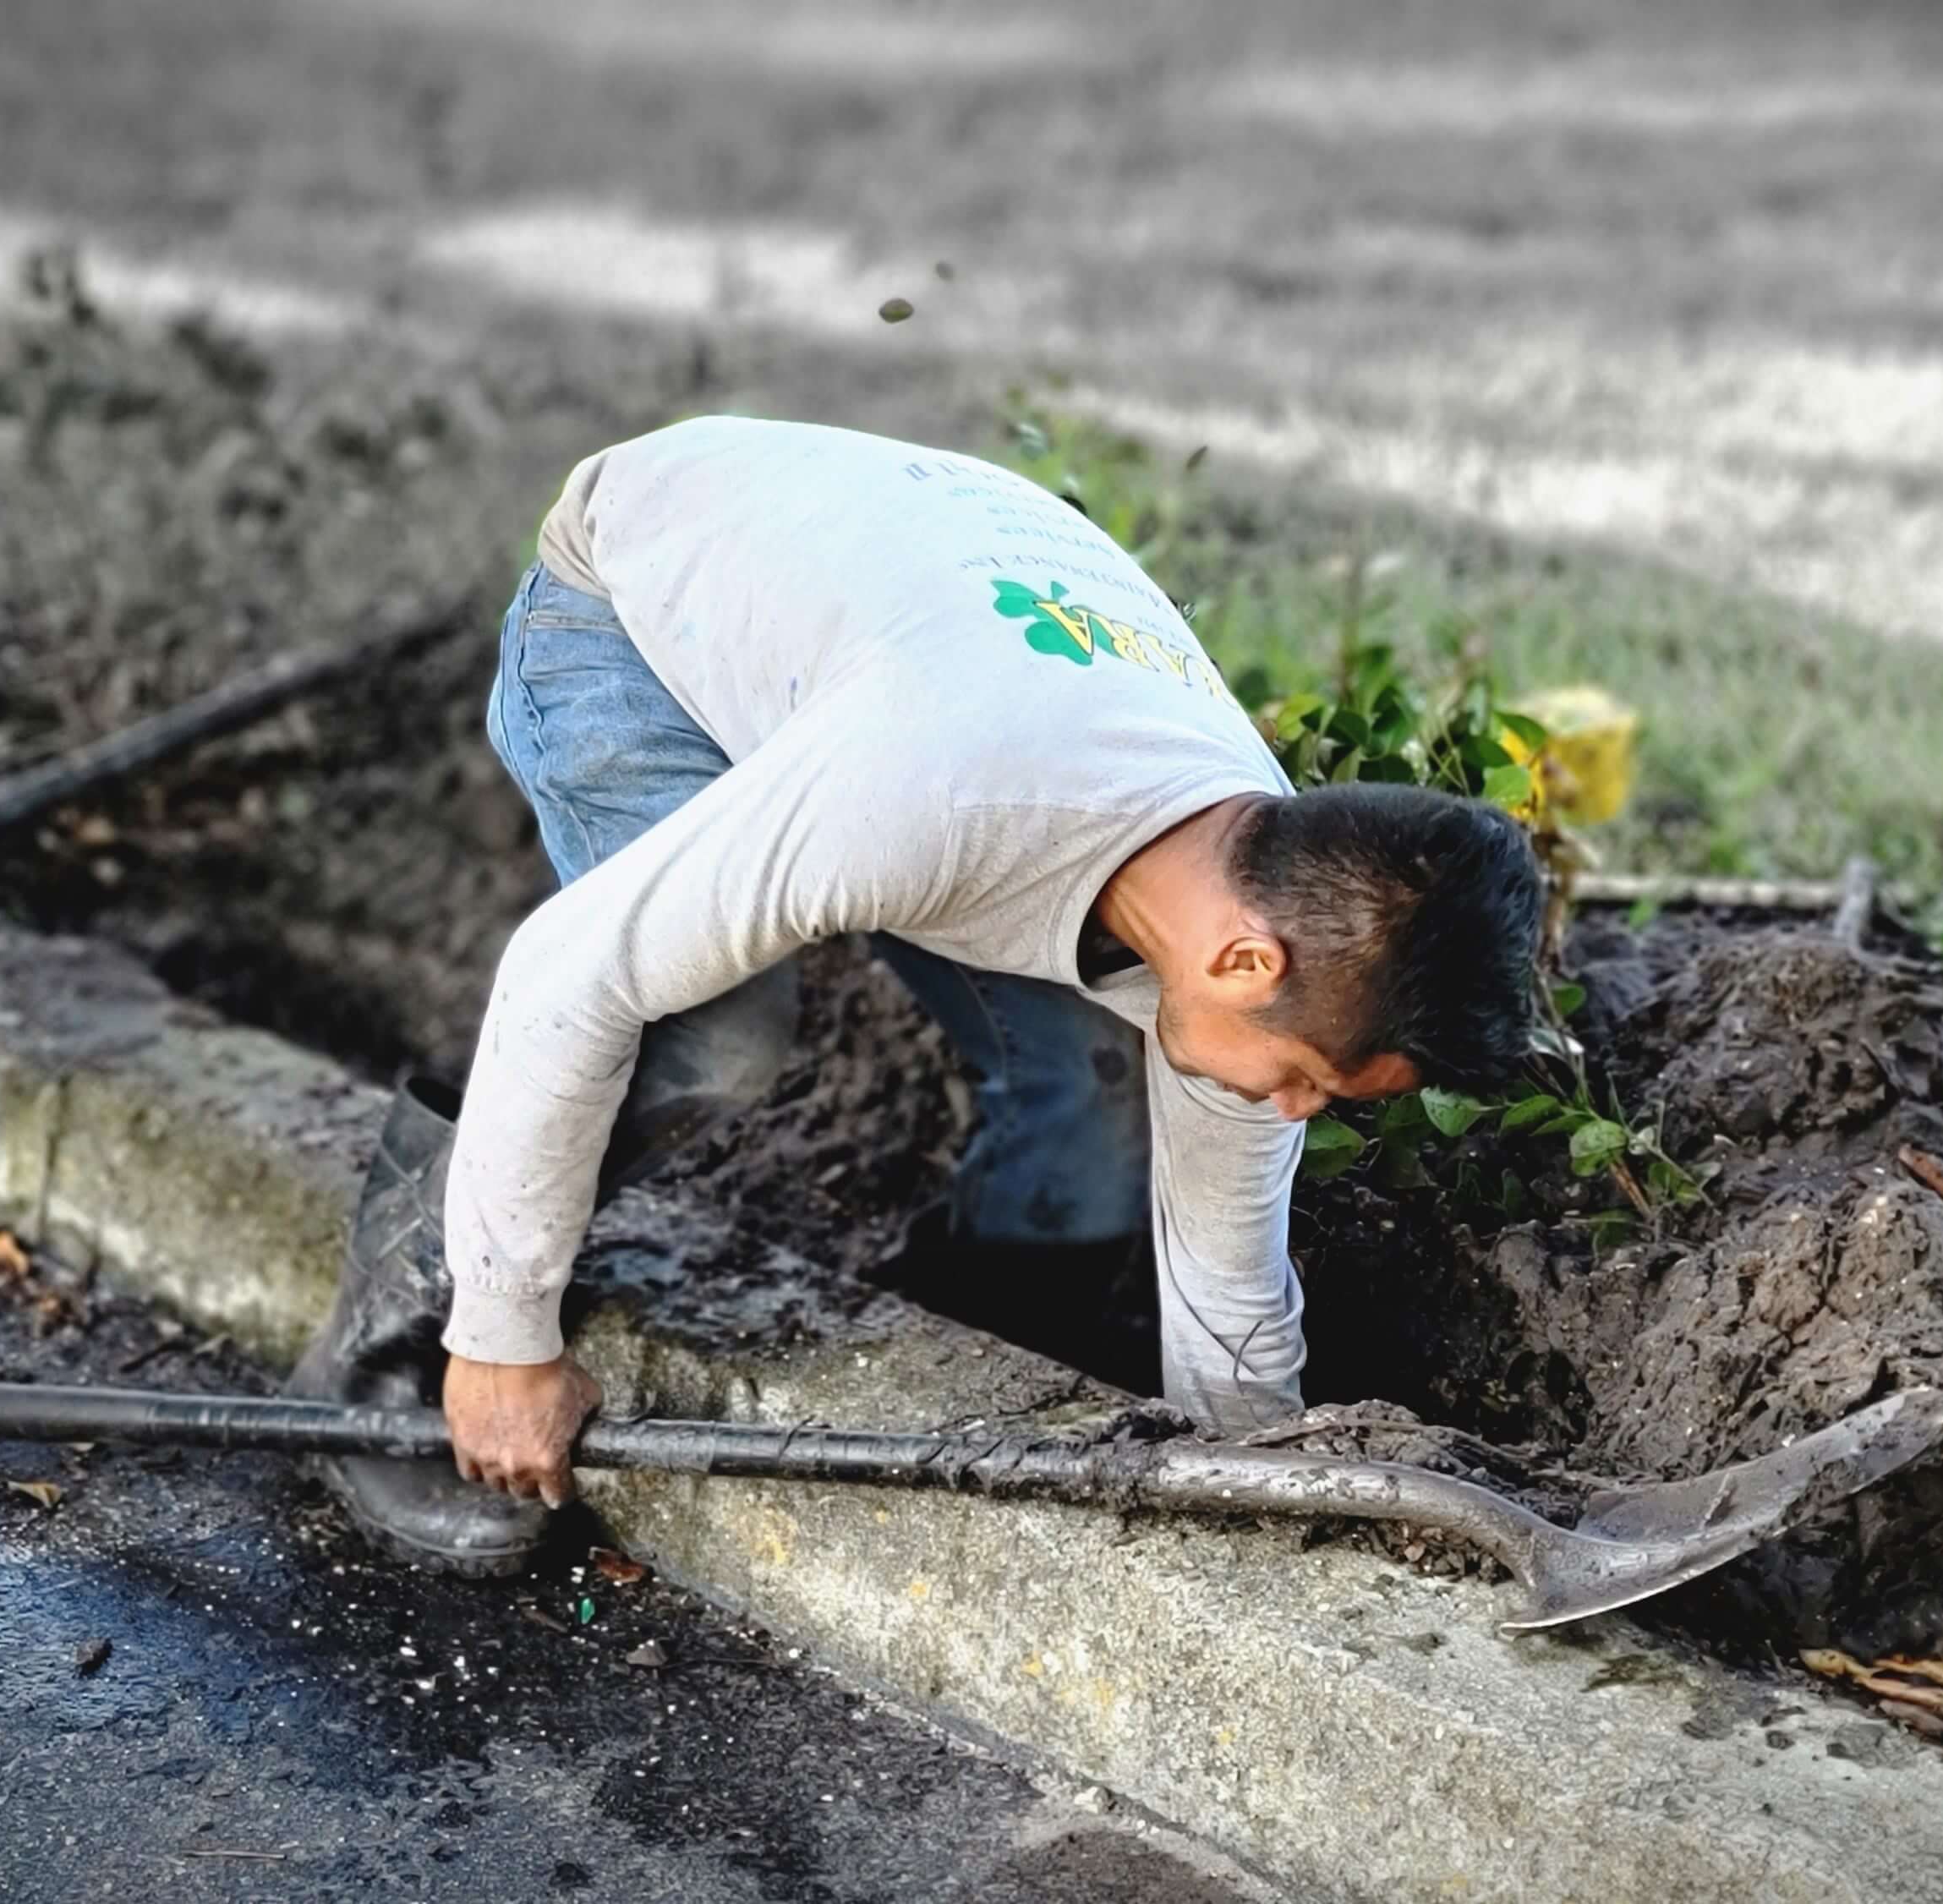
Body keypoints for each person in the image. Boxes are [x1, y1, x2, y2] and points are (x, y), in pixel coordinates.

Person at [288, 417, 1544, 1571]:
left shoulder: (1266, 897)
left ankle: (961, 1336)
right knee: (714, 1035)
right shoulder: (935, 796)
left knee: (1105, 1103)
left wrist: (1257, 1489)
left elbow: (1231, 1273)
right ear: (1243, 961)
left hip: (902, 641)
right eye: (1313, 1081)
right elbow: (564, 978)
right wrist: (507, 1344)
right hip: (636, 610)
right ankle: (381, 1363)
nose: (1292, 1114)